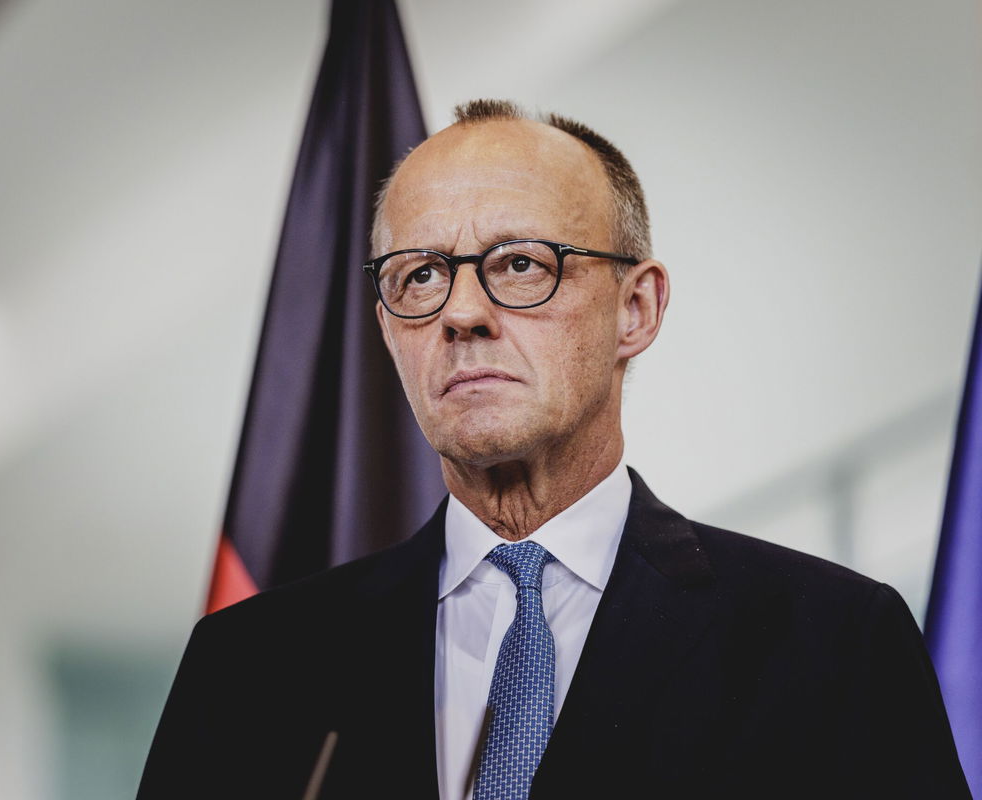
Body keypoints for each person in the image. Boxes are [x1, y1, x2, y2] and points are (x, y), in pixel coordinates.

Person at [138, 100, 969, 799]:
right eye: (419, 275)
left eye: (520, 263)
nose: (461, 311)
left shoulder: (832, 643)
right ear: (386, 326)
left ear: (635, 310)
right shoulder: (248, 669)